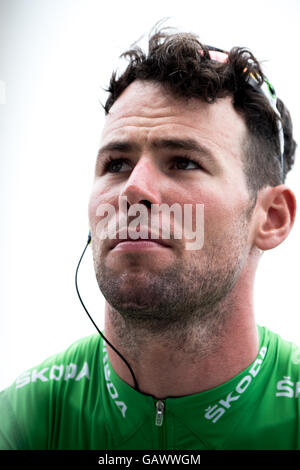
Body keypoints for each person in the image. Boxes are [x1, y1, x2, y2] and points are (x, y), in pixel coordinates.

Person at [0, 25, 299, 451]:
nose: (132, 190)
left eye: (183, 162)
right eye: (117, 164)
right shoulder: (27, 420)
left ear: (270, 217)